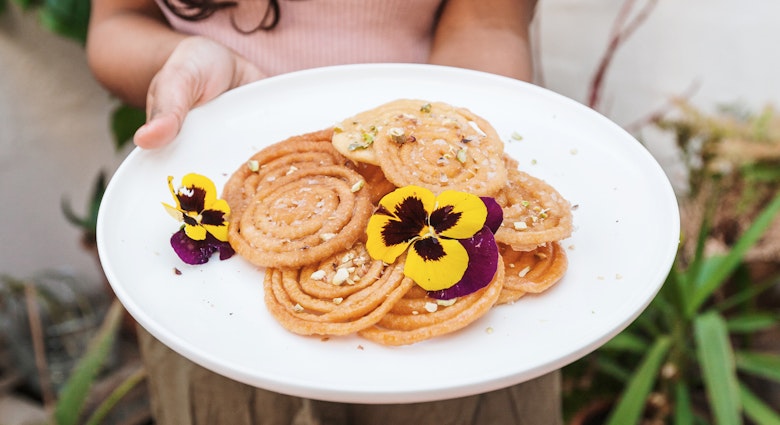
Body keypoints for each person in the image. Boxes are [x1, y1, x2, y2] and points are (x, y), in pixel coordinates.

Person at [86, 1, 561, 424]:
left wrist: (449, 144)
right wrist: (180, 59)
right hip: (219, 344)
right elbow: (117, 21)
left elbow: (487, 21)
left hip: (465, 360)